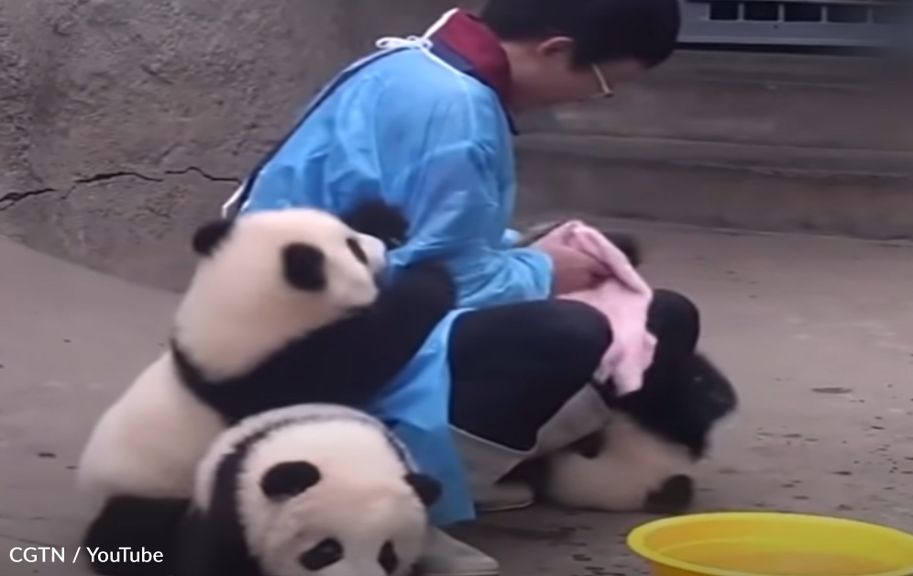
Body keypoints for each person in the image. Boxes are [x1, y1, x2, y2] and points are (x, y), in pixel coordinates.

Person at [223, 0, 690, 574]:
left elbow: (424, 239)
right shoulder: (454, 106)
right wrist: (544, 269)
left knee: (661, 319)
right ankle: (396, 509)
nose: (592, 98)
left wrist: (527, 249)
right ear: (556, 49)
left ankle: (484, 468)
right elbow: (440, 281)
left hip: (369, 303)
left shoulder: (427, 68)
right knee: (567, 331)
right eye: (602, 83)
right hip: (307, 342)